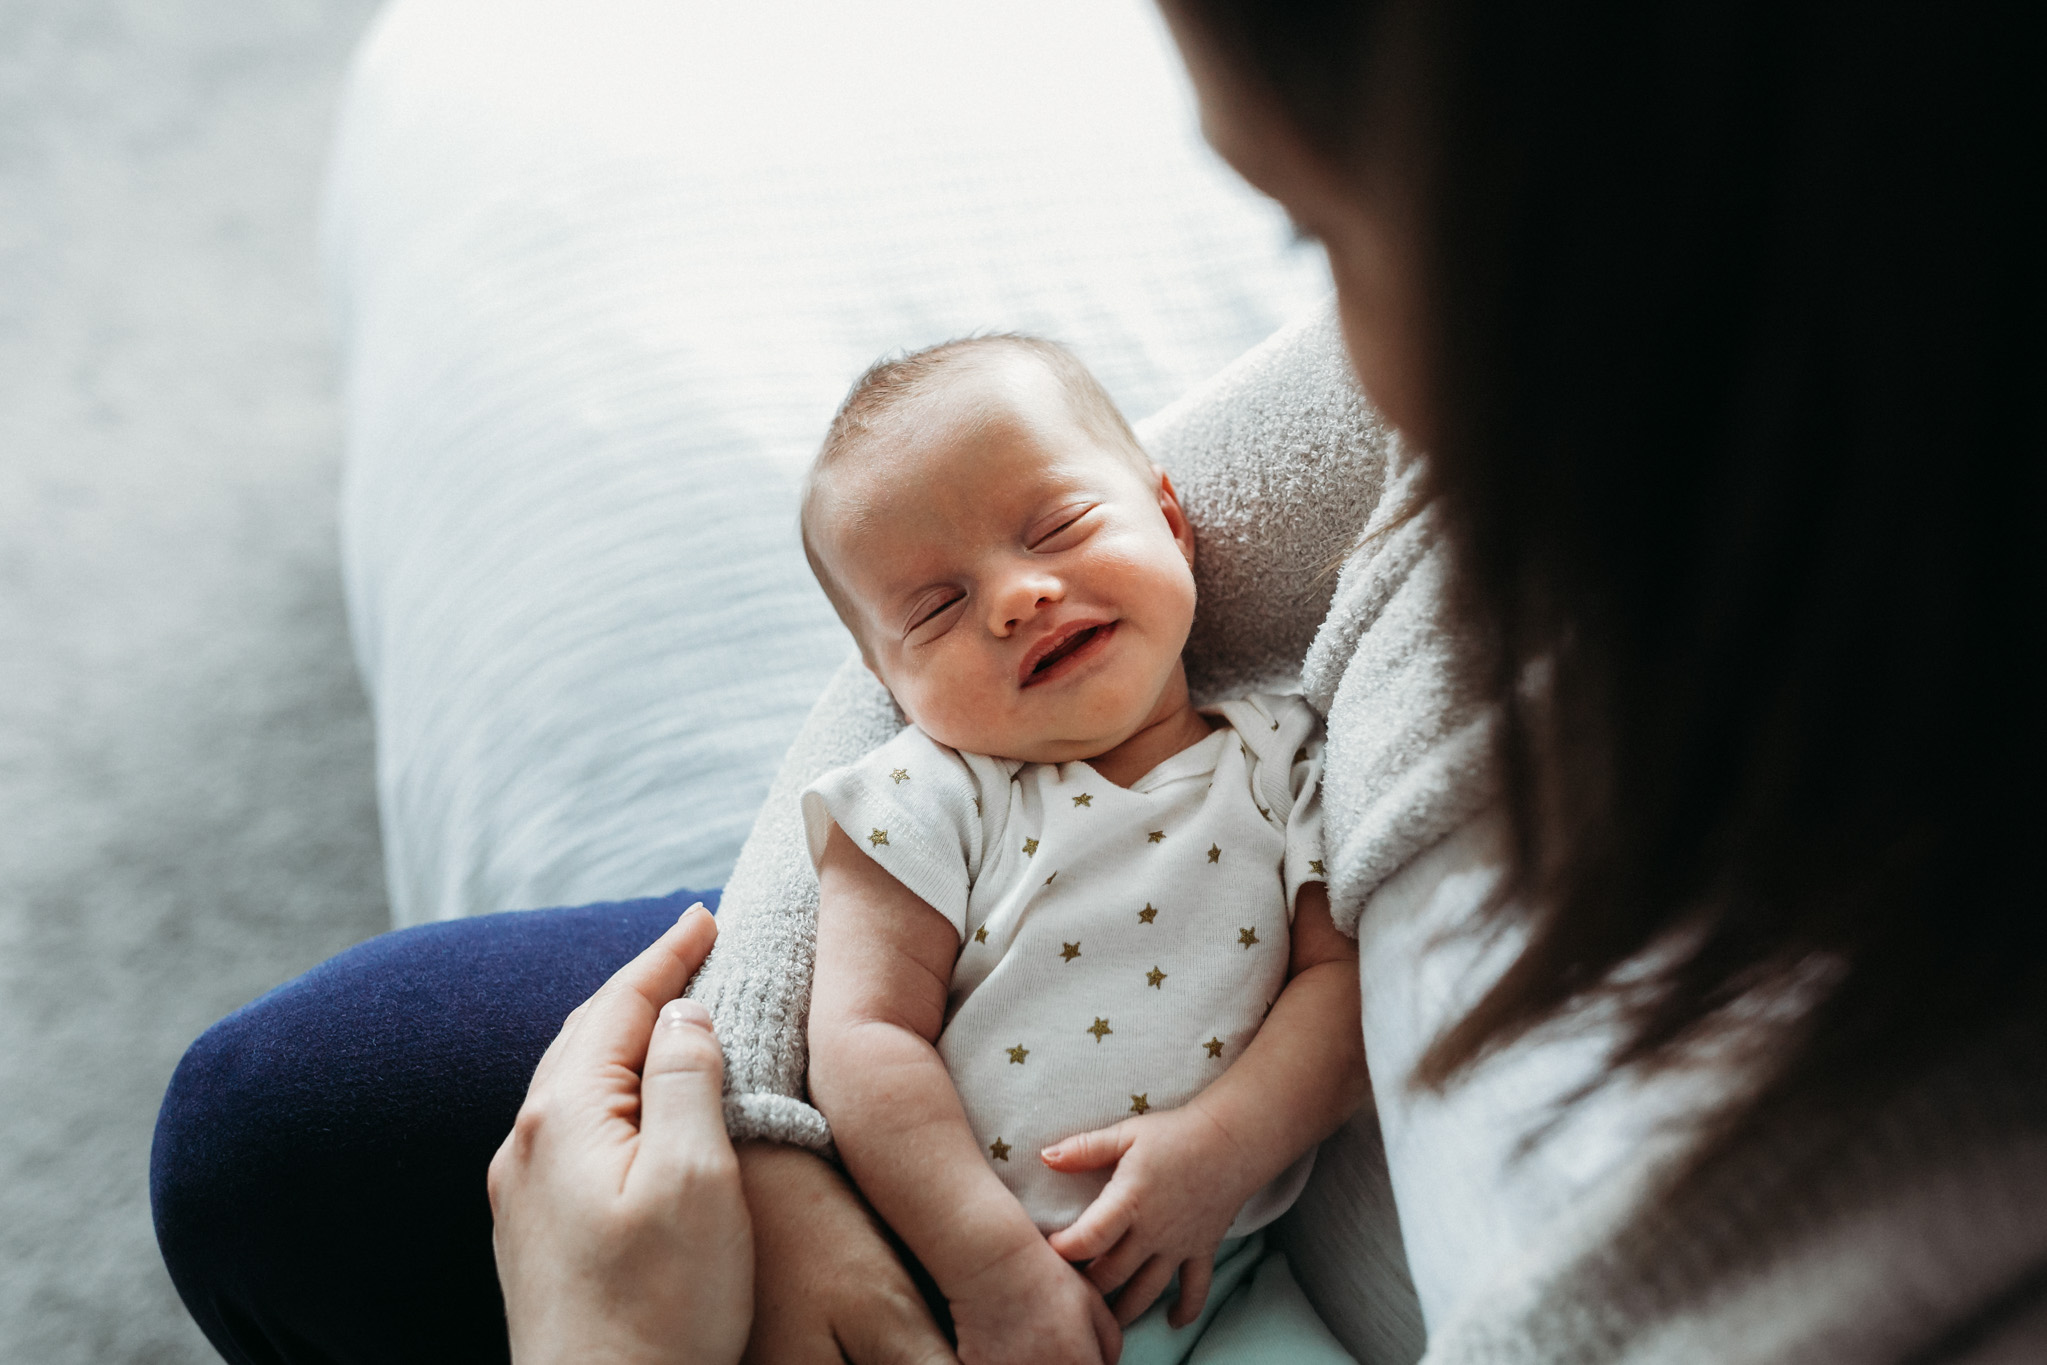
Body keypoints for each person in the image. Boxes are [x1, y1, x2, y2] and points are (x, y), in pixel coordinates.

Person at [153, 1, 2044, 1362]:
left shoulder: (1855, 1233)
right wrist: (795, 1148)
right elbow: (895, 734)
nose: (1346, 353)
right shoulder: (1517, 401)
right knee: (281, 1126)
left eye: (1324, 230)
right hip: (957, 1161)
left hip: (1247, 1266)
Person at [797, 334, 1362, 1363]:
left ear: (1172, 523)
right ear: (891, 688)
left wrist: (1222, 1149)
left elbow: (1343, 986)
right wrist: (991, 1271)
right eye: (935, 607)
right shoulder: (928, 794)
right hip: (956, 1295)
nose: (1017, 597)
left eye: (1057, 527)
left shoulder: (1286, 760)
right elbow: (863, 1037)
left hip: (1219, 1283)